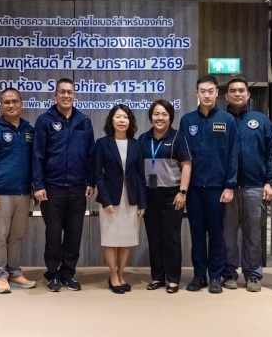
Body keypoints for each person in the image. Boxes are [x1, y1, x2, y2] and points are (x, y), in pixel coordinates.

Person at [33, 78, 95, 292]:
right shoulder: (44, 120)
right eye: (62, 92)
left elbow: (90, 154)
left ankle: (68, 273)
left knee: (73, 235)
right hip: (52, 188)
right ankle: (53, 274)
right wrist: (38, 185)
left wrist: (91, 181)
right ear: (55, 95)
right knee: (53, 235)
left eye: (70, 92)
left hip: (77, 188)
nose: (66, 96)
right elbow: (38, 155)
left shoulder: (84, 121)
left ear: (75, 96)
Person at [179, 75, 237, 294]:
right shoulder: (187, 121)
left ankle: (215, 276)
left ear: (217, 93)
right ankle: (198, 275)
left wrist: (229, 185)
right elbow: (183, 157)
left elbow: (233, 154)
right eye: (202, 91)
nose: (206, 95)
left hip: (217, 188)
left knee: (216, 234)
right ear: (197, 93)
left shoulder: (227, 120)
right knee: (196, 234)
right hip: (194, 188)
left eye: (210, 91)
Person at [222, 77, 272, 292]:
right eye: (233, 91)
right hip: (226, 188)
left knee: (253, 235)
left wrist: (269, 182)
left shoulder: (261, 120)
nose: (237, 94)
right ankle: (229, 273)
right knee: (227, 236)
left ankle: (253, 274)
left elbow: (270, 153)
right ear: (226, 96)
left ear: (248, 94)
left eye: (241, 90)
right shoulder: (220, 120)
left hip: (255, 187)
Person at [0, 88, 36, 294]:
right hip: (1, 193)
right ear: (0, 106)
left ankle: (14, 273)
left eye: (15, 101)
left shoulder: (29, 130)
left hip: (24, 192)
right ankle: (0, 275)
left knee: (17, 236)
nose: (11, 105)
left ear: (22, 104)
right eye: (6, 102)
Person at [139, 100, 192, 294]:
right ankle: (157, 277)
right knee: (154, 238)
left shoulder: (178, 137)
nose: (160, 118)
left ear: (170, 117)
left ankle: (173, 279)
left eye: (164, 114)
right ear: (151, 117)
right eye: (156, 114)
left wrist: (182, 192)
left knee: (171, 238)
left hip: (172, 194)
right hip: (149, 194)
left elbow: (187, 165)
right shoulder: (143, 139)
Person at [95, 104, 146, 294]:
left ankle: (121, 274)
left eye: (125, 117)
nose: (122, 120)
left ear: (130, 121)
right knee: (111, 238)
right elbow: (98, 174)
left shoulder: (136, 144)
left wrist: (142, 202)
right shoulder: (102, 143)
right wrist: (105, 200)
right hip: (110, 199)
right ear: (112, 120)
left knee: (126, 238)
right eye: (118, 117)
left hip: (131, 198)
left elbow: (140, 175)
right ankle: (113, 276)